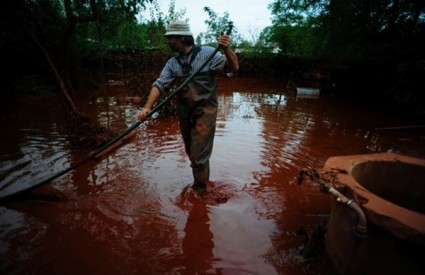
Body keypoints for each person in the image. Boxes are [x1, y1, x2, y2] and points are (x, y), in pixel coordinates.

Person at [136, 21, 239, 194]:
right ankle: (203, 183)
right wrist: (147, 107)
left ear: (182, 37)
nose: (168, 42)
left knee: (198, 156)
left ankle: (200, 194)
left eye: (171, 38)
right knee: (193, 152)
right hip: (185, 112)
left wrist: (226, 49)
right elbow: (160, 84)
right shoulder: (173, 63)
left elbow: (233, 69)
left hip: (205, 110)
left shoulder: (208, 53)